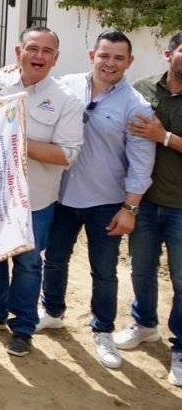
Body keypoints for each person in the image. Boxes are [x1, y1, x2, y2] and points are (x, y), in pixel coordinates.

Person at [37, 31, 155, 368]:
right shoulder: (65, 86)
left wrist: (130, 207)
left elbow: (142, 162)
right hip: (61, 195)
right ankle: (53, 311)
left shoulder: (136, 106)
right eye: (105, 55)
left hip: (106, 201)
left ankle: (103, 330)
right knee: (54, 259)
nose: (110, 63)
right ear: (93, 55)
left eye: (119, 58)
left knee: (104, 271)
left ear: (129, 63)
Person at [0, 27, 84, 357]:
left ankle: (23, 326)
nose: (38, 56)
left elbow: (67, 155)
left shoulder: (66, 99)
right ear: (17, 51)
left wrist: (15, 139)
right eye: (32, 48)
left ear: (56, 58)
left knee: (27, 263)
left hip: (35, 198)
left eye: (46, 51)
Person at [116, 31, 182, 386]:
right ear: (169, 53)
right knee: (141, 270)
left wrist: (165, 138)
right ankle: (145, 326)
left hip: (180, 208)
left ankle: (181, 347)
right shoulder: (141, 89)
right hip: (144, 202)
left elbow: (156, 138)